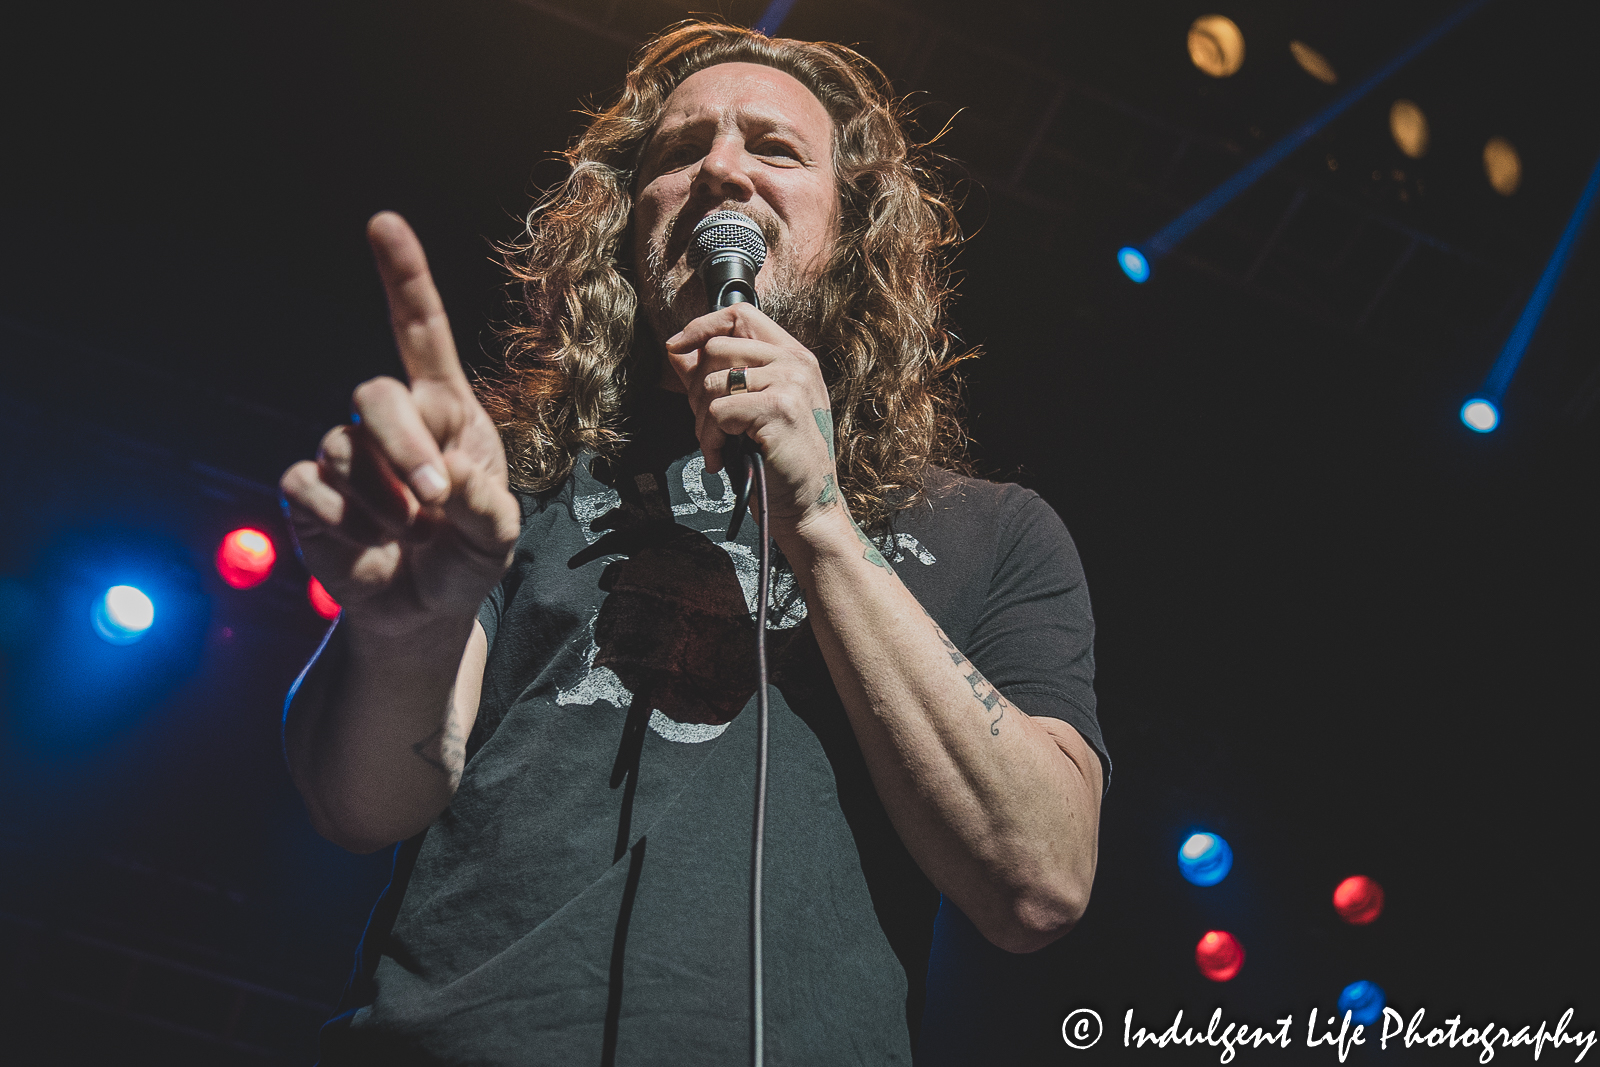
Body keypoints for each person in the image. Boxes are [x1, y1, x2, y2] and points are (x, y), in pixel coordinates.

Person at [279, 20, 1108, 1066]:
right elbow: (355, 802)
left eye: (773, 147)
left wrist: (818, 521)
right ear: (631, 225)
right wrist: (405, 624)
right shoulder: (514, 480)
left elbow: (1038, 879)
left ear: (850, 232)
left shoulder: (993, 532)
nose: (721, 167)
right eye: (679, 152)